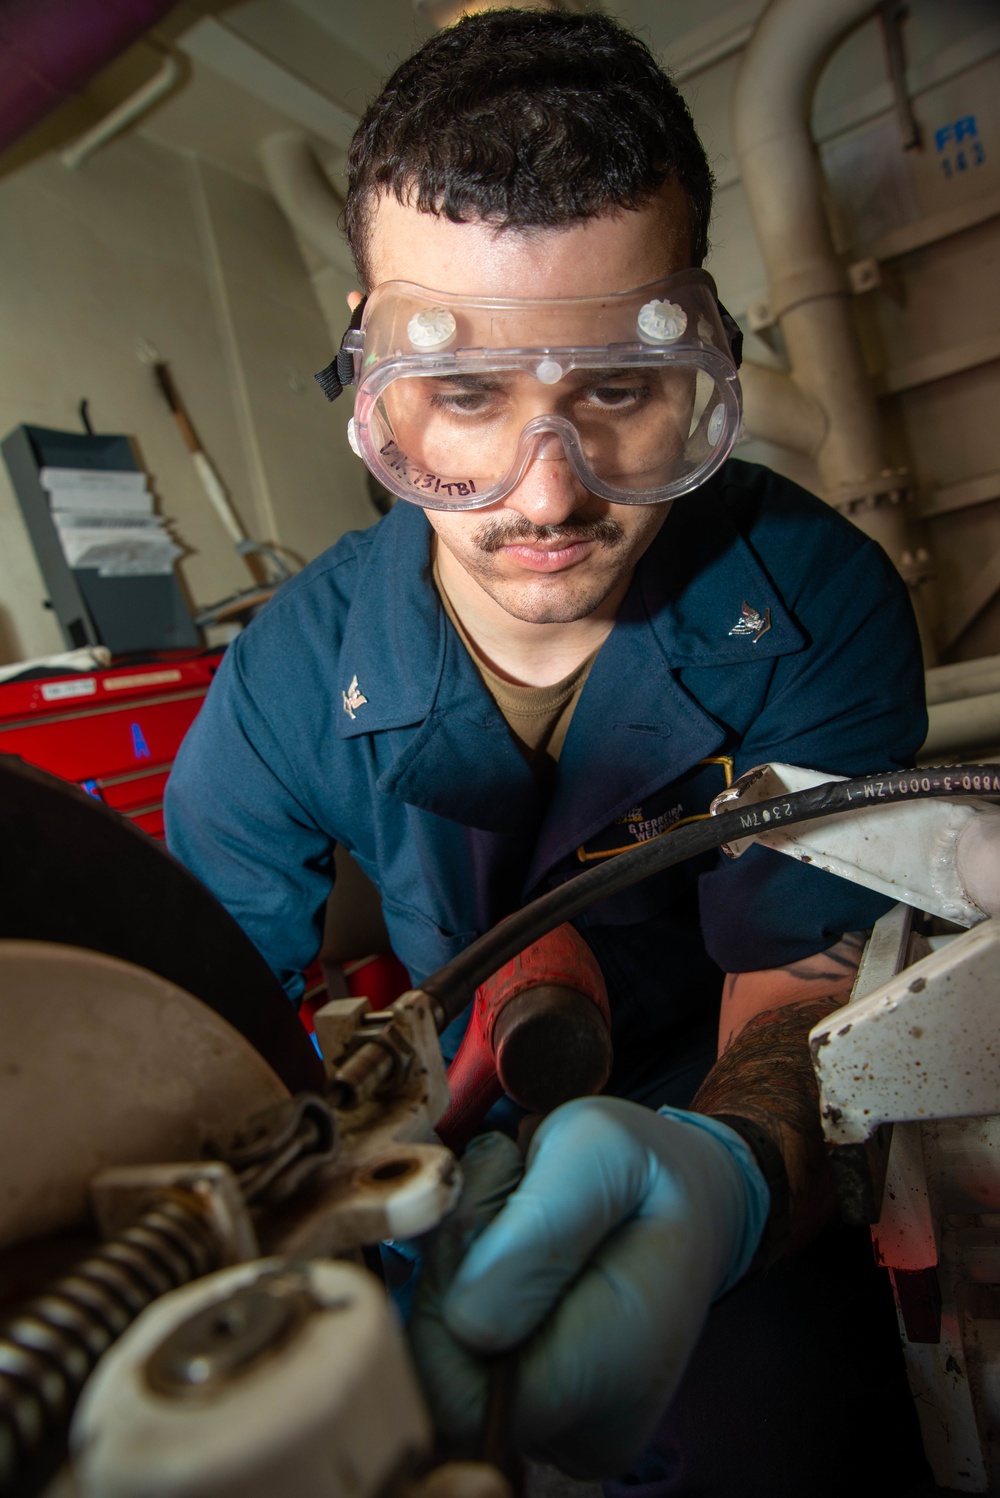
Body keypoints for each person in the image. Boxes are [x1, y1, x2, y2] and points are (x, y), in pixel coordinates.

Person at [165, 11, 933, 1495]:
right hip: (438, 1120)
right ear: (378, 378)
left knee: (781, 1435)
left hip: (711, 1107)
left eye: (618, 391)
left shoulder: (816, 602)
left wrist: (717, 1188)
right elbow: (205, 1040)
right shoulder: (281, 682)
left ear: (698, 342)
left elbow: (798, 1009)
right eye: (466, 396)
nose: (547, 493)